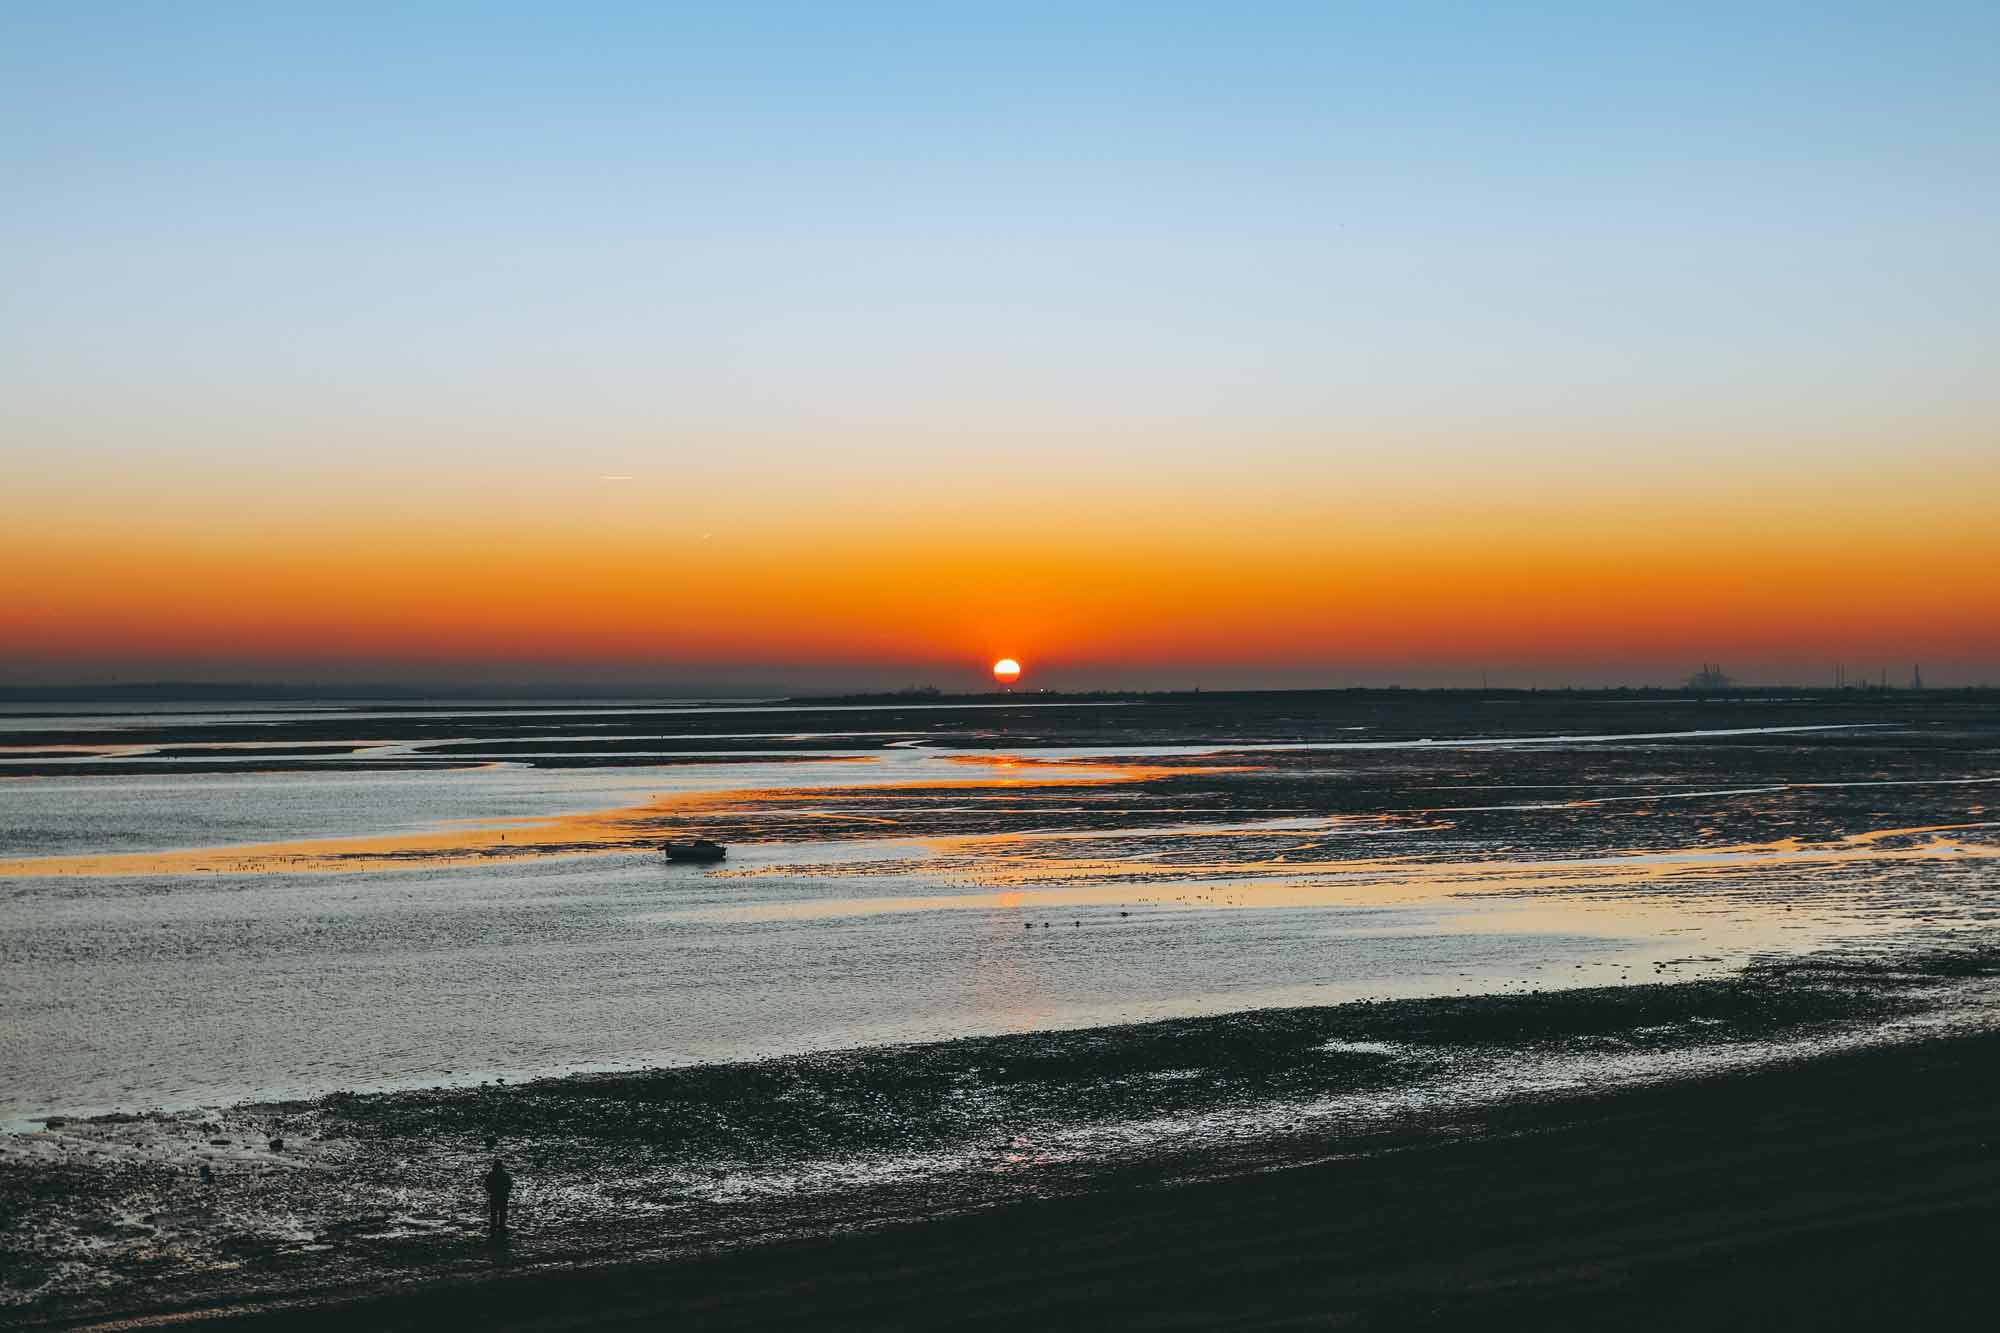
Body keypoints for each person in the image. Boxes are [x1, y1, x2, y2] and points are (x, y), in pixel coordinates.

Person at [483, 1158, 513, 1235]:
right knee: (502, 1212)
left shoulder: (491, 1174)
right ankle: (501, 1226)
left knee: (494, 1212)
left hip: (494, 1196)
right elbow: (509, 1185)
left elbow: (486, 1185)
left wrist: (491, 1191)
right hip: (502, 1196)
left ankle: (494, 1226)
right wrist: (506, 1191)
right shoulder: (505, 1175)